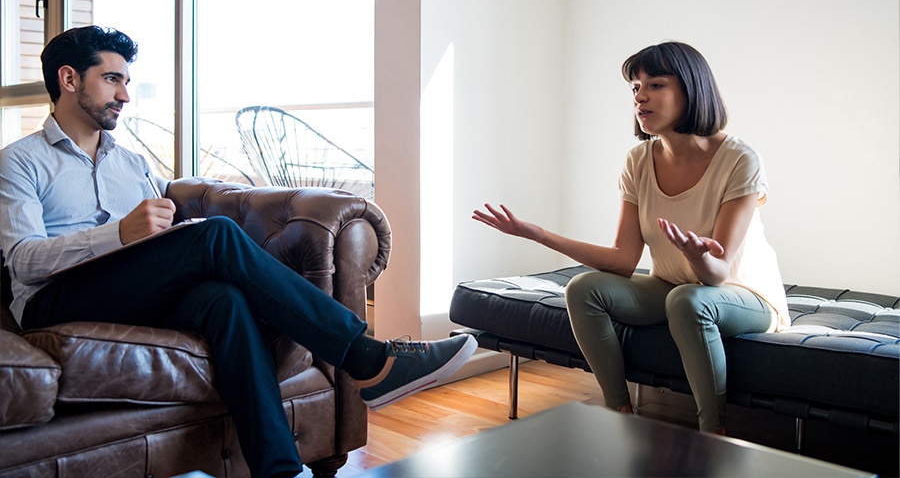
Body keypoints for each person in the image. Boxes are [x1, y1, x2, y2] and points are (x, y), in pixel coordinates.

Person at [0, 25, 476, 478]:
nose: (125, 94)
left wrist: (162, 238)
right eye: (111, 79)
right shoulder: (19, 162)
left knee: (222, 301)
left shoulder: (132, 164)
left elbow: (159, 242)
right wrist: (119, 234)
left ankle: (279, 469)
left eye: (126, 81)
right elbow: (23, 260)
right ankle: (365, 358)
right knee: (217, 235)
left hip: (130, 290)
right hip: (54, 299)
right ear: (68, 79)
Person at [473, 42, 789, 435]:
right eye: (635, 87)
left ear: (691, 90)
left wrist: (697, 255)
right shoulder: (638, 161)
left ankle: (714, 431)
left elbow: (717, 274)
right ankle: (619, 412)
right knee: (584, 288)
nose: (640, 96)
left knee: (687, 299)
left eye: (654, 84)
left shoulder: (739, 159)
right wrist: (535, 234)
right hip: (673, 287)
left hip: (745, 297)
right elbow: (623, 259)